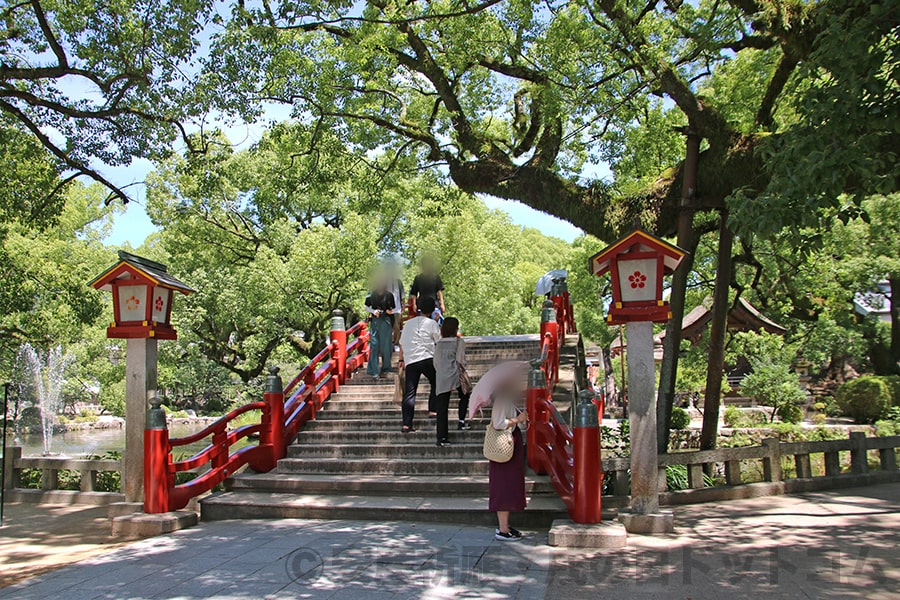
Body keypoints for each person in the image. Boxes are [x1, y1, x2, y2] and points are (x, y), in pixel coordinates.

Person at [489, 389, 528, 540]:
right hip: (504, 445)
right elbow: (499, 423)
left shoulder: (506, 399)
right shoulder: (501, 400)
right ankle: (503, 528)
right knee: (504, 484)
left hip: (511, 443)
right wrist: (518, 419)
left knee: (509, 483)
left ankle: (505, 526)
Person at [398, 296, 441, 433]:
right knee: (436, 382)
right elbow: (439, 341)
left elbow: (401, 343)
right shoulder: (432, 323)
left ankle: (406, 424)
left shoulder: (408, 324)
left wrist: (401, 360)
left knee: (410, 393)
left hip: (411, 360)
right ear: (432, 310)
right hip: (428, 358)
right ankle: (433, 410)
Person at [433, 317, 472, 447]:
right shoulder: (459, 342)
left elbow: (436, 362)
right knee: (465, 395)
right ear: (455, 328)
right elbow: (461, 360)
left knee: (442, 408)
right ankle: (461, 421)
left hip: (442, 377)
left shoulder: (439, 343)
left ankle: (442, 437)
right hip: (455, 375)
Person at [364, 277, 396, 379]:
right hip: (375, 321)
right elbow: (366, 306)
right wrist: (373, 311)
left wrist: (387, 311)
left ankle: (386, 367)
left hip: (386, 321)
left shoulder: (389, 295)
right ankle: (374, 370)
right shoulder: (371, 294)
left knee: (386, 346)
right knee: (374, 345)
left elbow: (392, 309)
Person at [409, 255, 445, 323]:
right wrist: (414, 304)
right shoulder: (418, 278)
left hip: (434, 304)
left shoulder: (436, 277)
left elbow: (439, 291)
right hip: (422, 305)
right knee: (423, 324)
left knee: (437, 322)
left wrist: (442, 304)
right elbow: (414, 293)